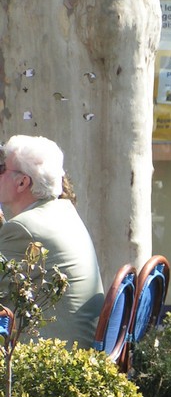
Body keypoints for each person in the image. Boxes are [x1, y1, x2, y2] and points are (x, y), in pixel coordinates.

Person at [0, 135, 104, 349]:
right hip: (78, 355)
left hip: (47, 364)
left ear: (22, 182)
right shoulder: (62, 211)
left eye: (2, 168)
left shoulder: (23, 228)